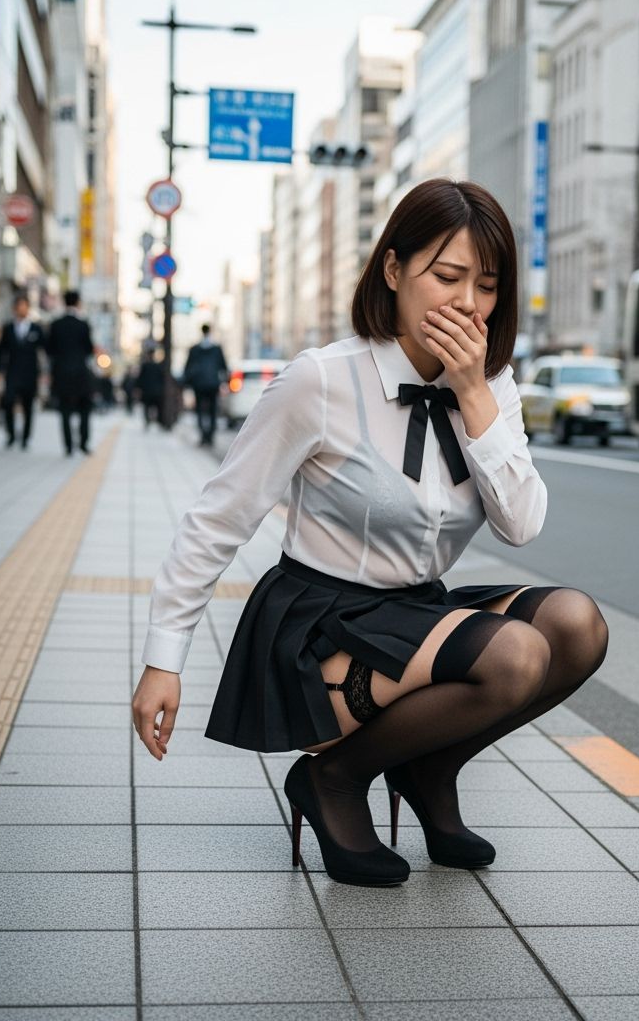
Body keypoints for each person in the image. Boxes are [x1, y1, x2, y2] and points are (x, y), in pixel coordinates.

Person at [131, 179, 608, 888]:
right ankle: (334, 780)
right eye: (447, 277)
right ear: (393, 271)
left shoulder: (492, 386)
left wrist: (474, 396)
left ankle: (430, 763)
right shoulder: (321, 379)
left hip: (417, 612)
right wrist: (163, 658)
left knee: (576, 625)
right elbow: (218, 517)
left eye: (486, 284)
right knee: (513, 656)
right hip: (322, 623)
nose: (468, 303)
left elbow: (522, 524)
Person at [45, 290, 94, 456]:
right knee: (85, 409)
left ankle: (68, 446)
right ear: (78, 302)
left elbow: (49, 349)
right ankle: (83, 443)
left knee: (64, 409)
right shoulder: (83, 324)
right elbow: (89, 349)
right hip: (81, 373)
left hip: (61, 373)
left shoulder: (56, 324)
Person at [0, 294, 45, 450]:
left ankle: (25, 438)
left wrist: (44, 373)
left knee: (28, 407)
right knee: (8, 402)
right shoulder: (8, 328)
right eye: (18, 307)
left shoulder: (36, 329)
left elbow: (44, 350)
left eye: (24, 306)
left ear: (28, 309)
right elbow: (1, 351)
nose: (21, 309)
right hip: (12, 372)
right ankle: (10, 435)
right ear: (14, 309)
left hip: (30, 374)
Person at [182, 323, 227, 446]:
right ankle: (210, 436)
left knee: (200, 410)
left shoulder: (195, 349)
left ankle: (203, 436)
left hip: (199, 383)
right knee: (212, 411)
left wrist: (187, 383)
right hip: (213, 383)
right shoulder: (217, 349)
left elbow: (187, 367)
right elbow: (223, 367)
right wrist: (223, 382)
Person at [136, 343, 165, 429]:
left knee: (148, 407)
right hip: (155, 390)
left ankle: (149, 421)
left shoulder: (146, 366)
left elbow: (140, 379)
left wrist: (139, 388)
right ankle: (156, 421)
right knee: (156, 407)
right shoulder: (157, 366)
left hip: (148, 390)